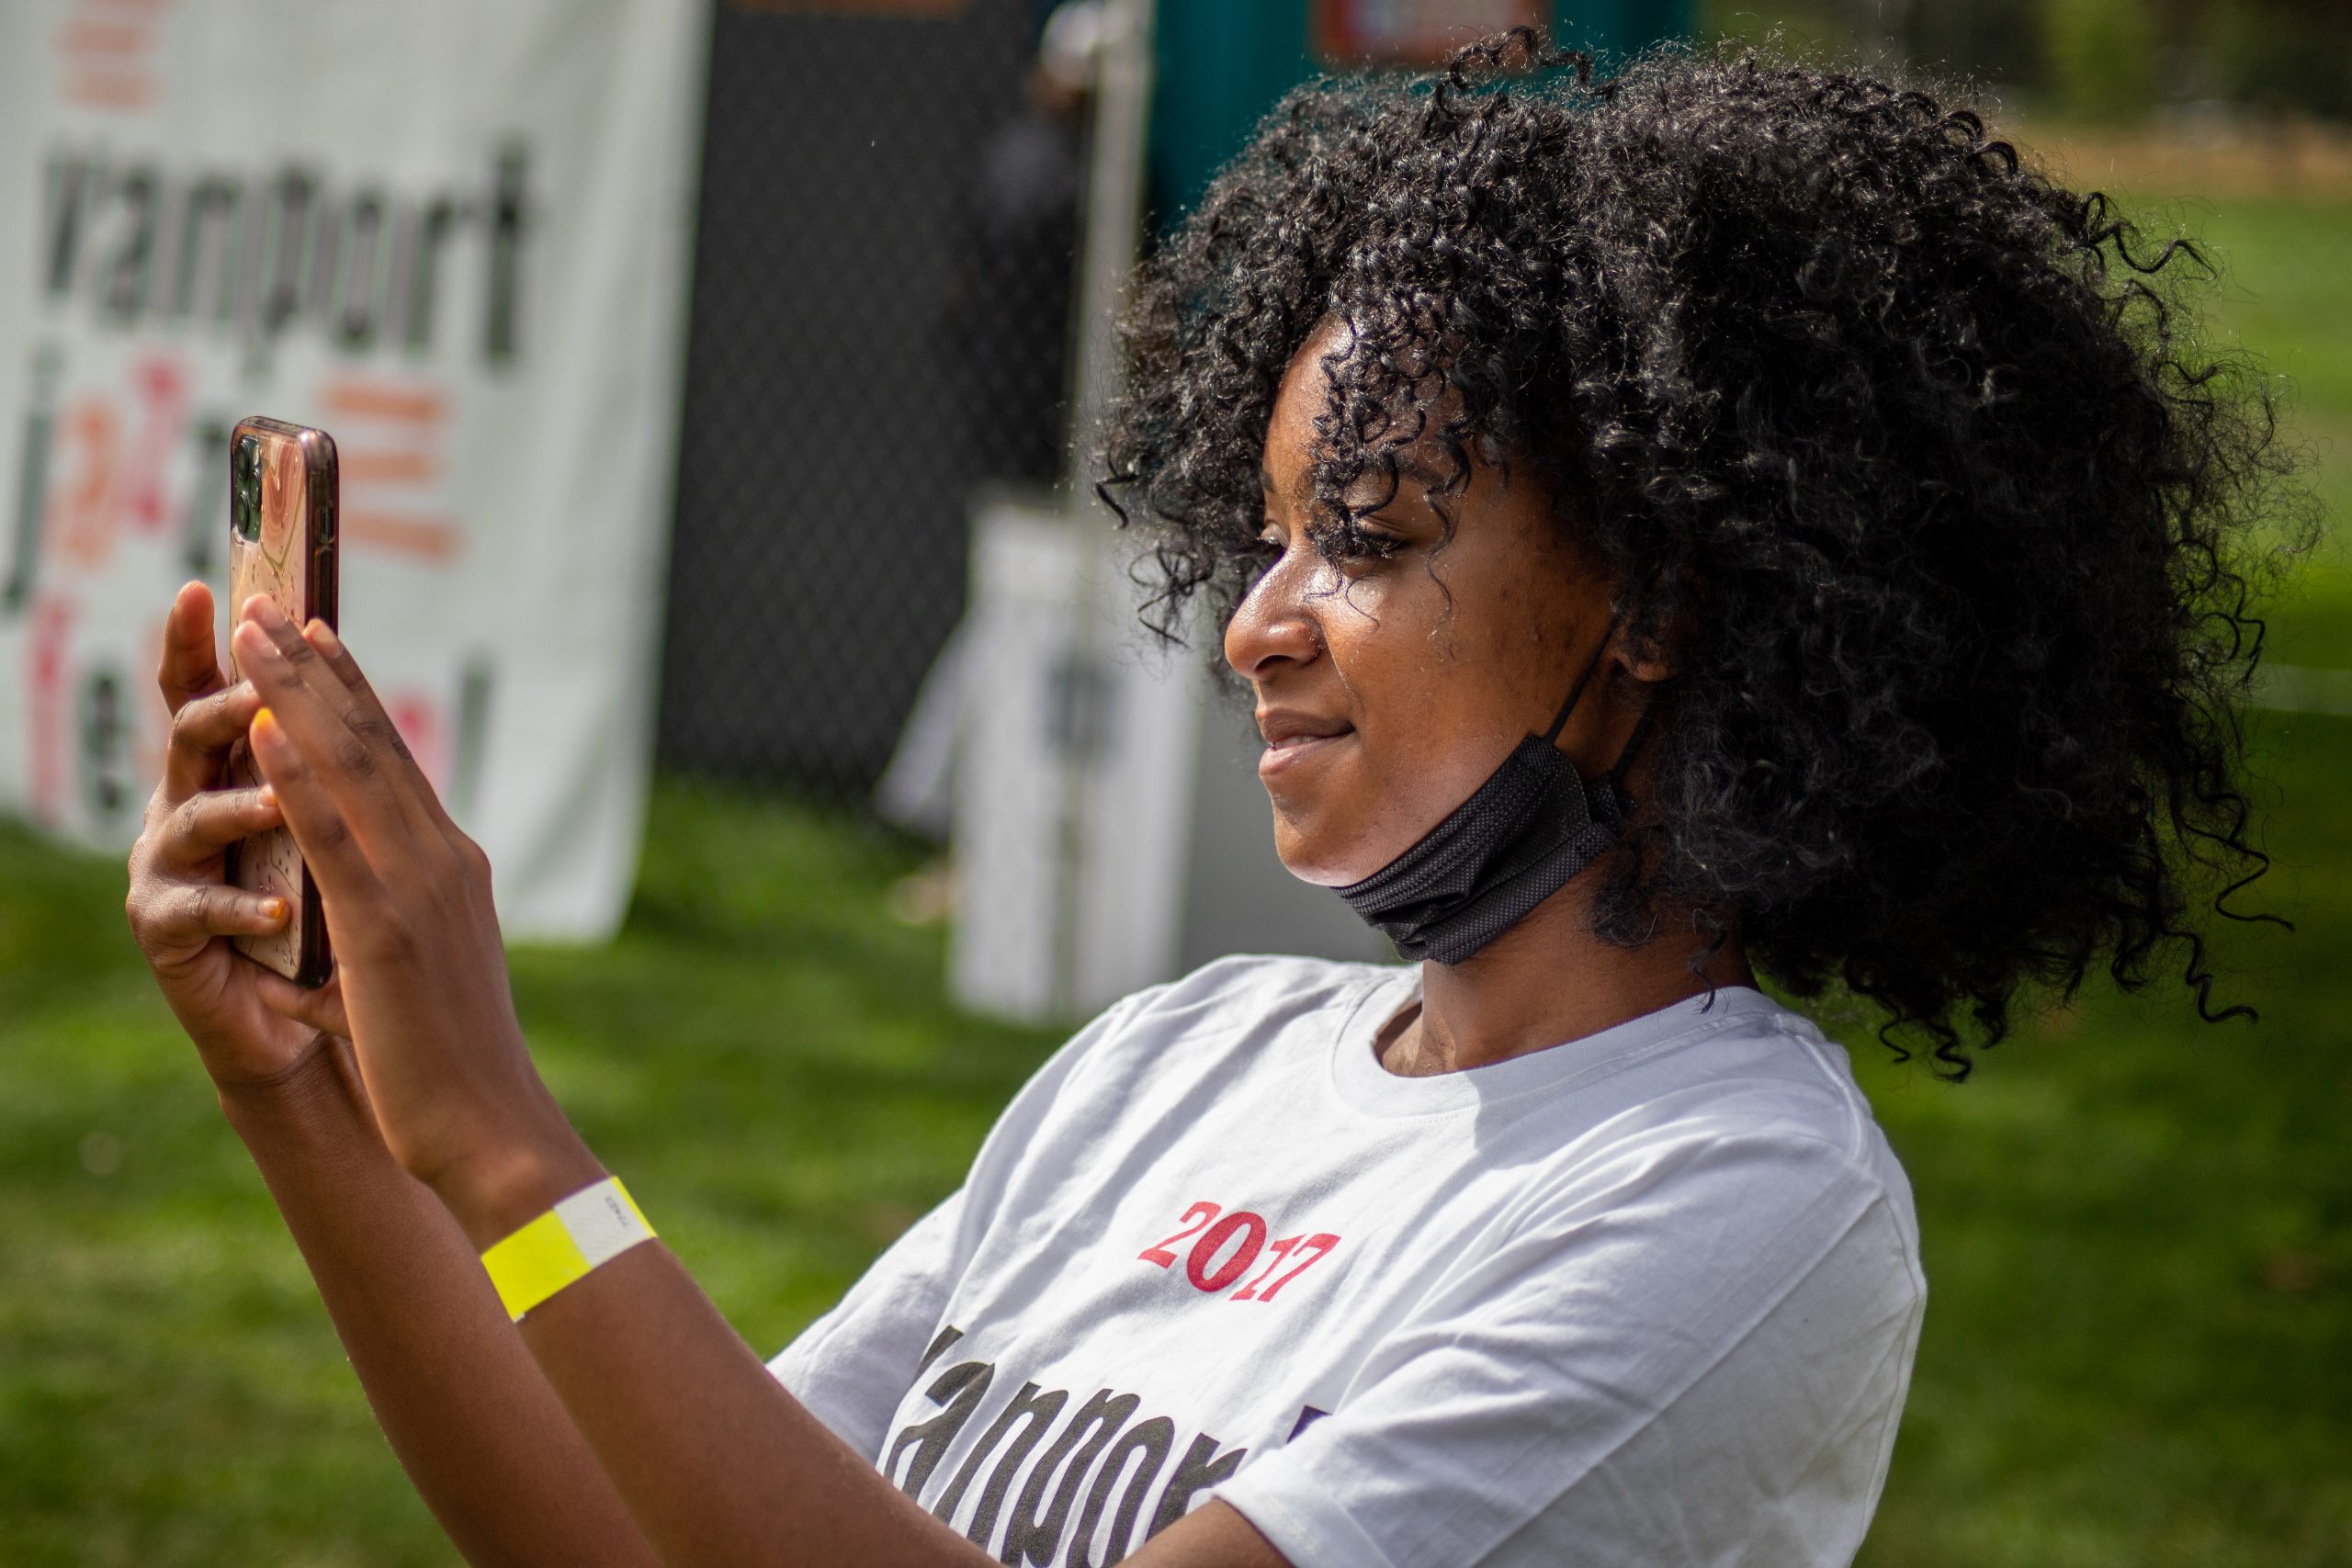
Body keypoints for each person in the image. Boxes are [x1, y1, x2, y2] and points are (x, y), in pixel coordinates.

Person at [124, 36, 2293, 1568]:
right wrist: (313, 1092)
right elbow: (637, 1523)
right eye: (1260, 533)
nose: (1255, 619)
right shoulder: (1173, 1059)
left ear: (1653, 597)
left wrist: (511, 1136)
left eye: (1365, 533)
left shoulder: (1735, 1198)